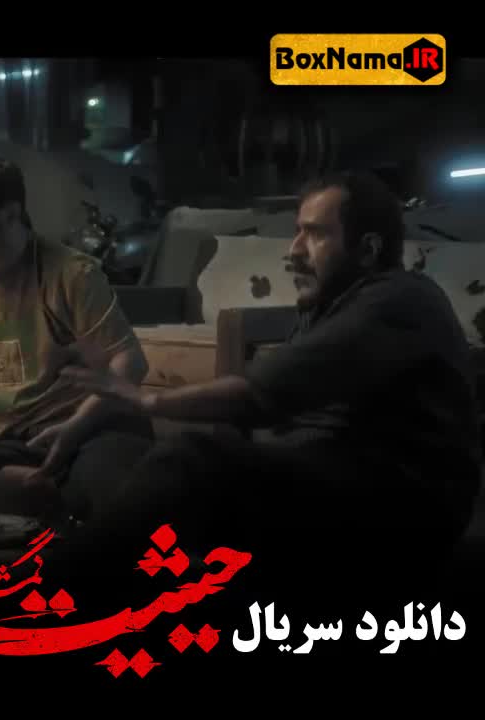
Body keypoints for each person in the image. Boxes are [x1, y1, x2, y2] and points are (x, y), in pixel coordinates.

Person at [58, 170, 481, 601]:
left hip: (400, 507)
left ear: (368, 248)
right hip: (326, 474)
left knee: (190, 460)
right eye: (298, 232)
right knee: (117, 450)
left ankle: (56, 591)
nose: (294, 249)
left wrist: (146, 399)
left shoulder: (397, 300)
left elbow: (260, 394)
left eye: (315, 234)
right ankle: (143, 575)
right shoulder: (331, 304)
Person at [0, 154, 154, 524]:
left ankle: (57, 492)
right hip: (22, 443)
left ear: (11, 213)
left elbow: (131, 362)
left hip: (94, 427)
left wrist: (74, 428)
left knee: (108, 492)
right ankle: (50, 491)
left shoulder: (72, 274)